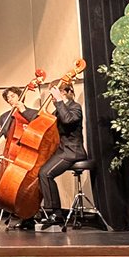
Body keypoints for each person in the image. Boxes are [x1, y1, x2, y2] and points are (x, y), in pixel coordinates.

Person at [0, 86, 39, 226]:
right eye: (8, 98)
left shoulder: (32, 113)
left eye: (12, 96)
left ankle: (24, 214)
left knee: (20, 186)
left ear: (21, 96)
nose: (10, 99)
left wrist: (22, 110)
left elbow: (37, 130)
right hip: (9, 154)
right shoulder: (5, 116)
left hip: (24, 156)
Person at [38, 81, 86, 226]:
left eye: (53, 94)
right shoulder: (58, 110)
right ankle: (46, 212)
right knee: (41, 171)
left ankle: (56, 213)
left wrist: (59, 100)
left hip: (72, 151)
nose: (51, 98)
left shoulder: (75, 107)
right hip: (62, 150)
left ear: (63, 92)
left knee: (45, 173)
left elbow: (67, 120)